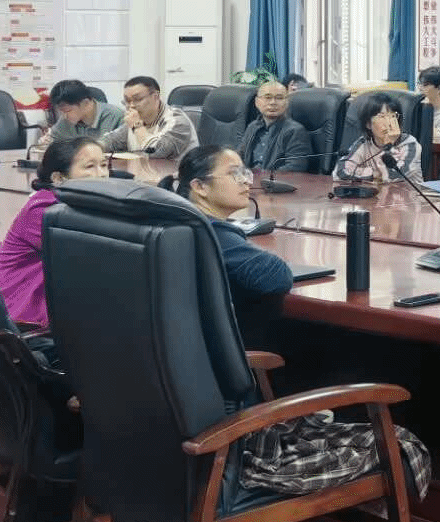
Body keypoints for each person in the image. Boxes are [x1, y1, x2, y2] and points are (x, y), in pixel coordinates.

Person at [163, 145, 296, 347]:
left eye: (245, 173)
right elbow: (277, 276)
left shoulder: (176, 218)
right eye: (234, 174)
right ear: (200, 186)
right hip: (220, 352)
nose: (246, 181)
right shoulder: (210, 232)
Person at [0, 137, 110, 327]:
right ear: (59, 178)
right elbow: (91, 252)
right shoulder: (43, 209)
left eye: (103, 165)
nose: (102, 174)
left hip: (47, 307)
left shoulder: (82, 203)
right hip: (15, 313)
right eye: (90, 167)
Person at [100, 76, 197, 160]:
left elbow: (158, 152)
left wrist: (137, 126)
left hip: (177, 174)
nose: (131, 106)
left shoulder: (177, 120)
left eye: (138, 99)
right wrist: (95, 148)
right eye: (127, 101)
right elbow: (111, 141)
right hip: (144, 173)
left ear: (156, 97)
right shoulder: (134, 121)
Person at [335, 93, 421, 183]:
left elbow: (394, 175)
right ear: (368, 124)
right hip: (376, 191)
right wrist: (374, 174)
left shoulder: (410, 144)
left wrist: (389, 144)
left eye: (393, 116)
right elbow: (340, 171)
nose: (388, 122)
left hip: (408, 191)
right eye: (382, 117)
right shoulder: (363, 143)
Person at [30, 79, 123, 157]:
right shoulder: (66, 119)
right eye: (61, 112)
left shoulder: (116, 116)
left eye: (67, 111)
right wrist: (46, 143)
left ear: (86, 104)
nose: (64, 116)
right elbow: (53, 141)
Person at [238, 80, 311, 173]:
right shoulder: (252, 127)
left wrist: (263, 177)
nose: (273, 102)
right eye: (267, 97)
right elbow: (239, 157)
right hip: (248, 178)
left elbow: (295, 167)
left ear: (287, 102)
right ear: (257, 102)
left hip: (274, 180)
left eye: (279, 98)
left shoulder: (295, 131)